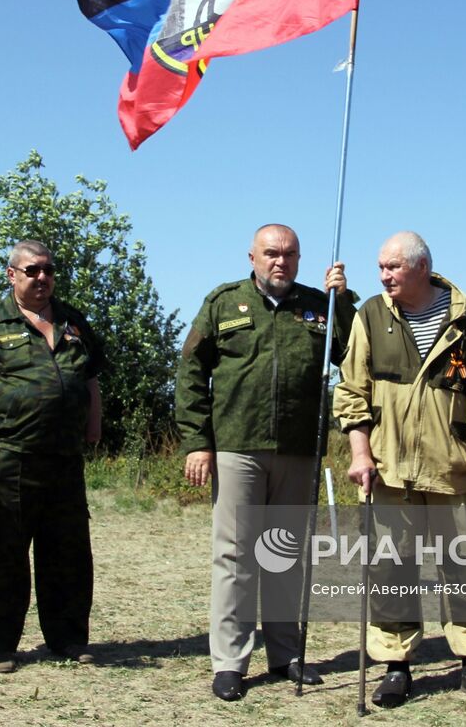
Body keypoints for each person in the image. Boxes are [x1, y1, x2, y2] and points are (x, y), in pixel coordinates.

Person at [176, 224, 355, 702]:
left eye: (290, 255)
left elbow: (351, 356)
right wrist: (197, 441)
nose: (281, 262)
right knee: (236, 556)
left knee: (285, 555)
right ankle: (230, 662)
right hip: (238, 444)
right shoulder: (223, 302)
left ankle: (285, 655)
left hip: (298, 448)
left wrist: (344, 301)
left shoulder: (319, 305)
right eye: (271, 254)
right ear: (252, 257)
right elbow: (191, 371)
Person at [334, 231, 466, 708]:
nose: (383, 275)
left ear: (422, 266)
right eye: (381, 267)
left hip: (455, 469)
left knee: (463, 568)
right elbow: (351, 392)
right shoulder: (371, 314)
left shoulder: (464, 316)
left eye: (392, 267)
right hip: (388, 469)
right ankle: (396, 665)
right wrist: (359, 453)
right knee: (391, 568)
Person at [0, 240, 104, 673]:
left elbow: (91, 377)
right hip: (13, 455)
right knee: (4, 555)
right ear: (12, 275)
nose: (42, 278)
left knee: (69, 554)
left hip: (64, 458)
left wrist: (93, 428)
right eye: (32, 270)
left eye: (49, 270)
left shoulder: (73, 321)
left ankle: (69, 638)